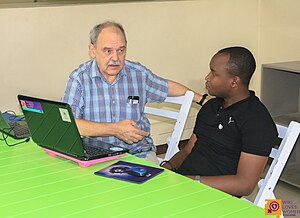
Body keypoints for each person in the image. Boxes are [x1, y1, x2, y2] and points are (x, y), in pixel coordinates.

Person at [61, 21, 204, 164]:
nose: (115, 58)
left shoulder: (138, 74)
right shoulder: (79, 78)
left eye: (121, 50)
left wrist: (202, 99)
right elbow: (68, 123)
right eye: (108, 51)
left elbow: (167, 87)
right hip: (96, 155)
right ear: (92, 50)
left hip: (138, 153)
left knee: (145, 184)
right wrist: (115, 129)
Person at [161, 46, 278, 197]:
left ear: (234, 81)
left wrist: (192, 182)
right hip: (184, 185)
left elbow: (245, 185)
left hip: (215, 196)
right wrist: (167, 167)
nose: (207, 77)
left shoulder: (257, 120)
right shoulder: (211, 107)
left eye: (214, 73)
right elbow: (187, 150)